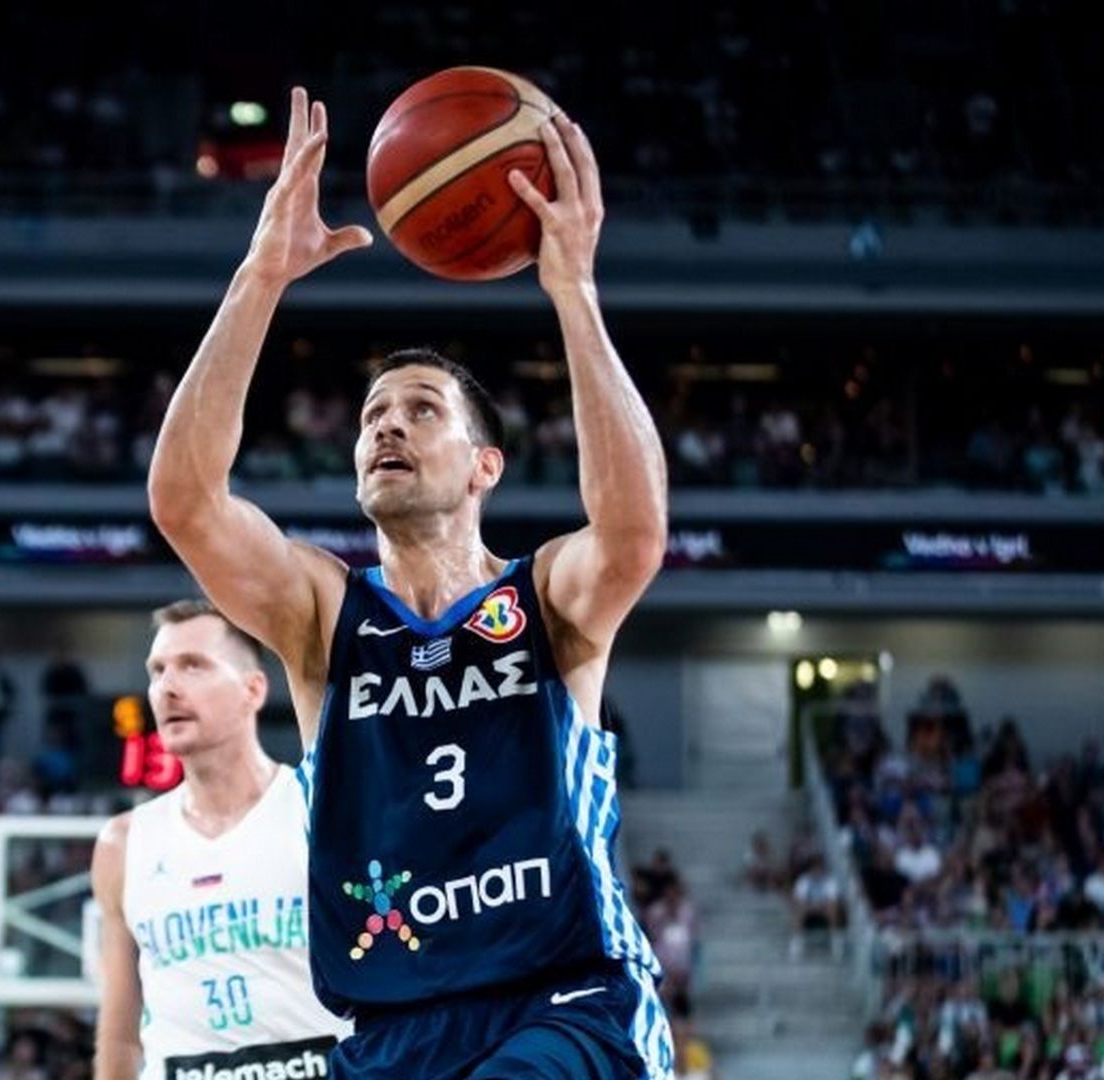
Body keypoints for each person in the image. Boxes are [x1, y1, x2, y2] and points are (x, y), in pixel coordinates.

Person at [147, 88, 673, 1078]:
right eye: (372, 416)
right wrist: (261, 276)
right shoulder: (324, 615)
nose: (386, 423)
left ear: (484, 467)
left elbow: (635, 533)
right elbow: (184, 501)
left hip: (565, 1000)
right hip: (393, 1027)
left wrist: (573, 289)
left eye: (422, 409)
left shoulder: (544, 600)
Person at [90, 600, 348, 1080]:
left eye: (193, 666)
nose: (168, 687)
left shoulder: (318, 809)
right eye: (158, 671)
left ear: (253, 689)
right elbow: (120, 1035)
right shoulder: (122, 843)